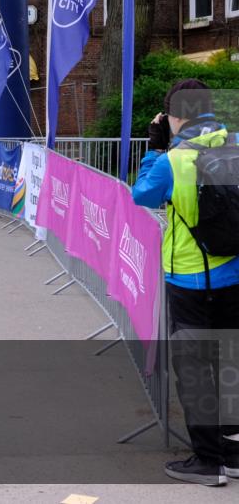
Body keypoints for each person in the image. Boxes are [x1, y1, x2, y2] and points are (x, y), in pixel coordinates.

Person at [131, 79, 239, 486]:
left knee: (195, 371)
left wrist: (156, 147)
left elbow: (142, 195)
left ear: (175, 115)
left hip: (191, 278)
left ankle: (208, 462)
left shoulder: (172, 160)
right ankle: (233, 454)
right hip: (235, 272)